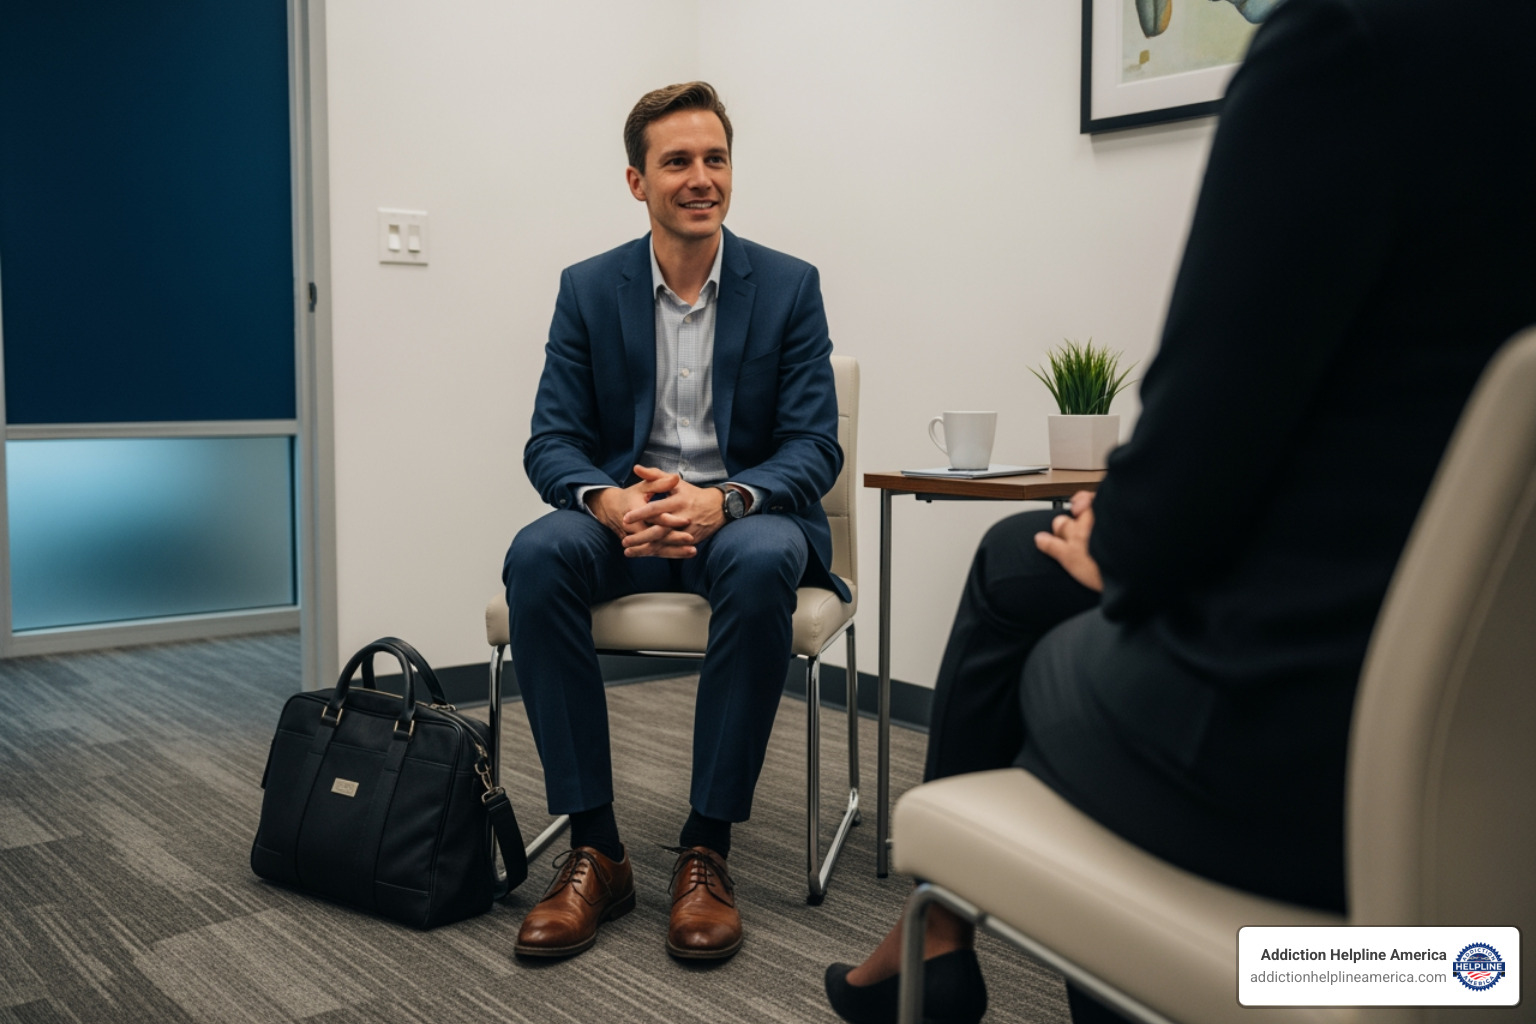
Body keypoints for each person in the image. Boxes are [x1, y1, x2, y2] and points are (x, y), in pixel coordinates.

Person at [823, 0, 1536, 1020]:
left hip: (1314, 751)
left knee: (1038, 618)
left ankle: (944, 934)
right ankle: (938, 937)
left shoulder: (1346, 43)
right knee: (1020, 556)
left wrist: (1120, 538)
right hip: (1502, 758)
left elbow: (1188, 467)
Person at [503, 81, 847, 963]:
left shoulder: (789, 286)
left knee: (768, 553)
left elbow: (815, 445)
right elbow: (552, 441)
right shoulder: (588, 289)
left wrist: (724, 499)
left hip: (741, 523)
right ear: (636, 180)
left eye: (716, 158)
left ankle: (707, 849)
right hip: (627, 523)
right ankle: (598, 849)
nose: (702, 178)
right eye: (678, 161)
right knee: (537, 554)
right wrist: (610, 501)